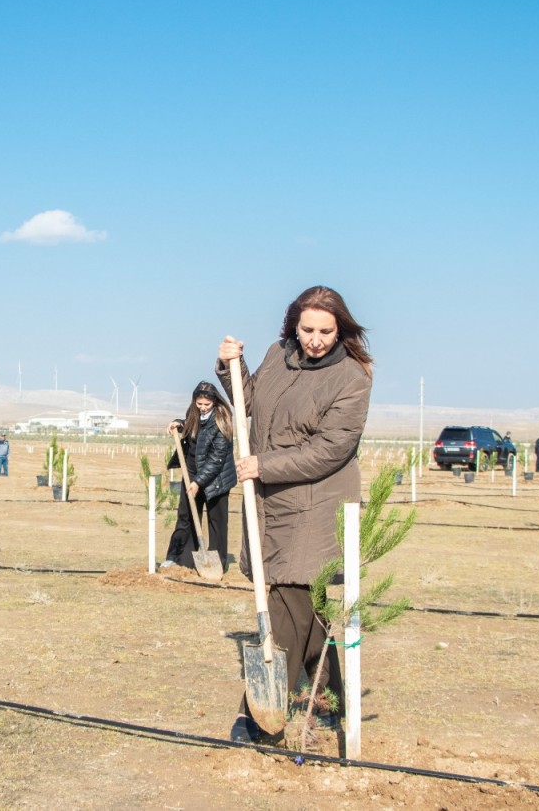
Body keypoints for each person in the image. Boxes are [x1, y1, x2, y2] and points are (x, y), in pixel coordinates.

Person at [217, 285, 372, 743]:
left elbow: (330, 448)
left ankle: (260, 718)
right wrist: (232, 366)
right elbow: (250, 403)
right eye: (308, 329)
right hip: (273, 503)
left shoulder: (352, 377)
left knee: (288, 606)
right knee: (313, 616)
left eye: (327, 330)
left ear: (341, 328)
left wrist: (264, 465)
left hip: (317, 505)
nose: (317, 339)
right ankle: (331, 707)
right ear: (293, 324)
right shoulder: (277, 355)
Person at [162, 381, 237, 572]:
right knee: (185, 517)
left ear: (215, 401)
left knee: (216, 522)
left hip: (217, 479)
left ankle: (217, 562)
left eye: (206, 404)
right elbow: (192, 429)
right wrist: (179, 424)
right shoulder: (194, 413)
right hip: (192, 473)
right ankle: (179, 558)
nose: (202, 407)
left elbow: (216, 459)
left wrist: (198, 482)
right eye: (199, 403)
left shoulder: (222, 420)